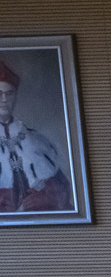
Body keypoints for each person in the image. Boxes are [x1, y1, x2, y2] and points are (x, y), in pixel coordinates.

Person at [0, 60, 73, 212]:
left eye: (9, 93)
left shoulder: (37, 140)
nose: (4, 100)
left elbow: (63, 191)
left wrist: (46, 198)